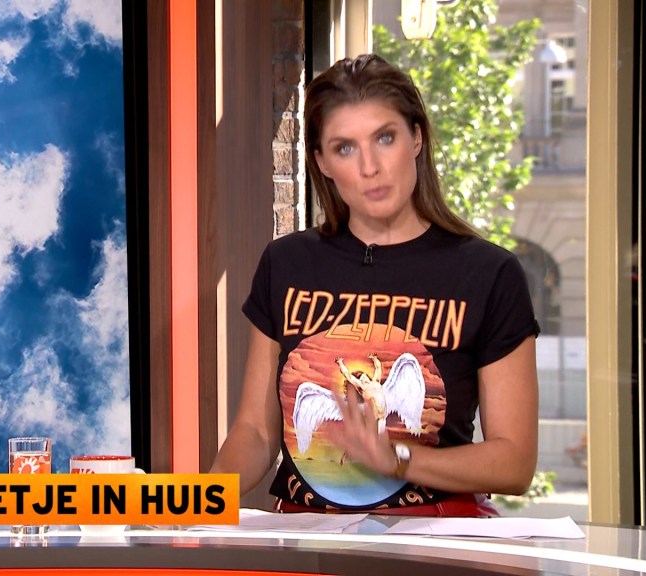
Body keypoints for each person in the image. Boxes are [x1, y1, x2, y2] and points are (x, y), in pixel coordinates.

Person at [209, 54, 540, 517]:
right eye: (345, 148)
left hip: (434, 533)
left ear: (416, 138)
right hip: (307, 535)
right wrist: (194, 501)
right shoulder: (285, 264)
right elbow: (257, 433)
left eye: (385, 138)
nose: (370, 167)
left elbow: (514, 462)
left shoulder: (489, 273)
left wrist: (399, 459)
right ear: (322, 162)